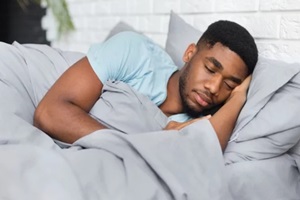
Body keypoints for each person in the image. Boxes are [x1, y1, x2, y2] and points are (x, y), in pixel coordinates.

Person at [34, 20, 258, 151]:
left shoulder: (201, 123)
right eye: (210, 69)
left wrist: (239, 98)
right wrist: (140, 147)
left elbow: (207, 157)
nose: (214, 88)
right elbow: (49, 112)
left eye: (229, 84)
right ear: (190, 53)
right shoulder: (136, 52)